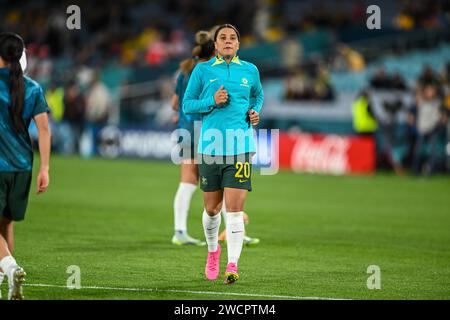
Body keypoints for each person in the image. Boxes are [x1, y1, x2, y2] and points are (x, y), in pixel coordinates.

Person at [183, 24, 263, 284]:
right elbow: (187, 106)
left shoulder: (250, 70)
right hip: (210, 149)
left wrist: (254, 111)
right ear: (215, 45)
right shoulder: (202, 70)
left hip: (240, 148)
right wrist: (211, 101)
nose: (228, 41)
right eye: (223, 38)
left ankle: (232, 264)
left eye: (233, 38)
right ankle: (213, 251)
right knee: (212, 209)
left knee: (235, 210)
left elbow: (258, 95)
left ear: (238, 44)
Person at [0, 32, 51, 300]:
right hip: (23, 167)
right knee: (6, 224)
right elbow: (44, 130)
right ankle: (7, 279)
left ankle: (10, 268)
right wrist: (45, 169)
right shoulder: (32, 87)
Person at [171, 30, 215, 246]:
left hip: (186, 129)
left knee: (187, 182)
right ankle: (235, 230)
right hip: (206, 131)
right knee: (220, 180)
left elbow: (174, 103)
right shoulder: (209, 71)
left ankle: (179, 231)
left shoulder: (184, 70)